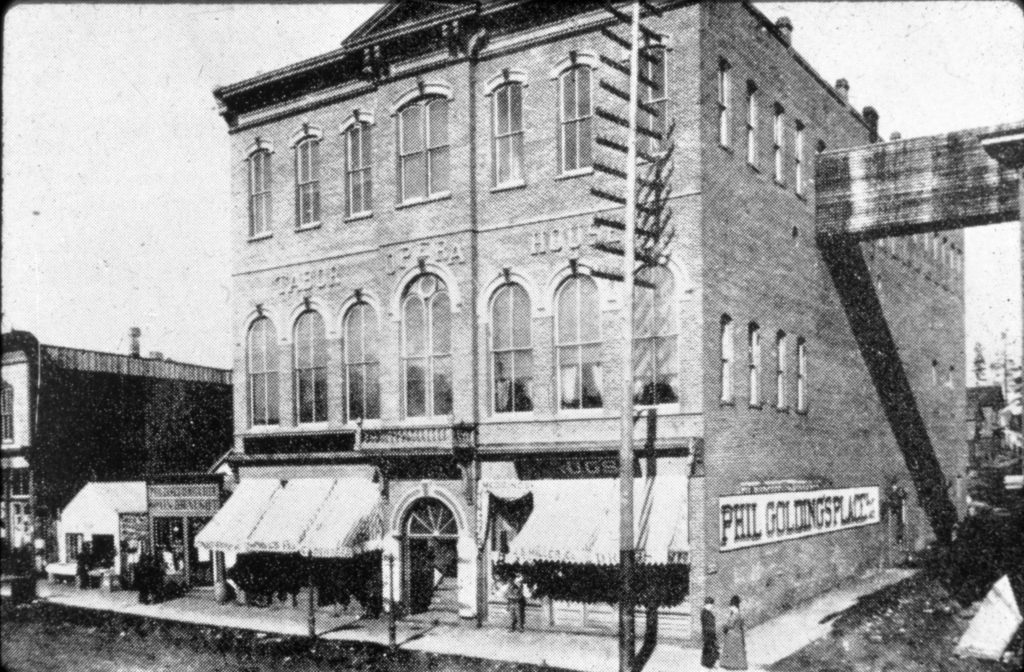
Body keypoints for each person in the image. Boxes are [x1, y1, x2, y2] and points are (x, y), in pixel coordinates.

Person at [720, 594, 748, 670]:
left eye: (731, 606)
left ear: (734, 606)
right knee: (737, 652)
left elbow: (730, 625)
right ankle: (737, 666)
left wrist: (724, 626)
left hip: (732, 636)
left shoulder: (734, 615)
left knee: (731, 651)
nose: (730, 608)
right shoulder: (740, 614)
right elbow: (741, 626)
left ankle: (731, 666)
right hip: (738, 635)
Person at [701, 596, 719, 669]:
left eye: (712, 605)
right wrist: (711, 633)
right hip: (707, 633)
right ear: (707, 604)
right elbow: (706, 624)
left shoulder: (708, 612)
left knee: (710, 648)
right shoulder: (704, 612)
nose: (712, 606)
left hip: (710, 633)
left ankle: (709, 663)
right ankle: (709, 665)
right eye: (710, 605)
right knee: (709, 648)